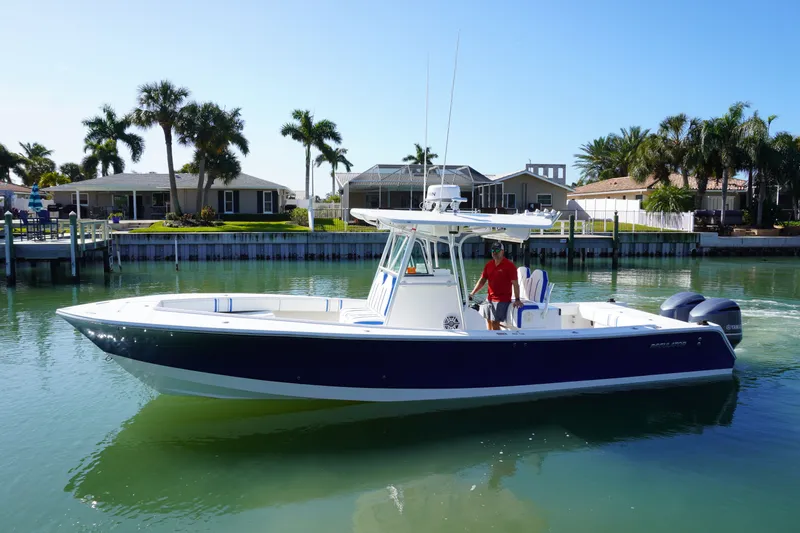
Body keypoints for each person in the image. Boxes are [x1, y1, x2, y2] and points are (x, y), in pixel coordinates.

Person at [468, 241, 522, 330]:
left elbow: (515, 284)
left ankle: (499, 342)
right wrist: (472, 293)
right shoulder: (489, 265)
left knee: (495, 323)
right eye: (493, 250)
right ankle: (490, 339)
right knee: (488, 320)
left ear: (502, 251)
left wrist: (517, 299)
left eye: (497, 250)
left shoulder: (509, 266)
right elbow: (482, 280)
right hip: (489, 299)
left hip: (502, 300)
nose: (494, 252)